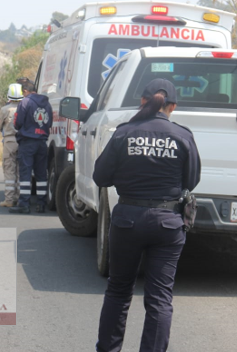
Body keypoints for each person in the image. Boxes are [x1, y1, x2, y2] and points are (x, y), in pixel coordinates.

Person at [94, 79, 201, 352]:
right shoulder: (182, 136)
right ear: (172, 106)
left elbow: (101, 177)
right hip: (167, 223)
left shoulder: (123, 133)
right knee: (159, 299)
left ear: (142, 101)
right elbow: (191, 180)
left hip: (127, 220)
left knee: (118, 292)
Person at [9, 81, 52, 214]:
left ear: (26, 91)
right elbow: (49, 122)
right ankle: (41, 204)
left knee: (25, 173)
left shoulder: (25, 102)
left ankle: (24, 204)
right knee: (41, 174)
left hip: (27, 142)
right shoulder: (47, 103)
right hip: (42, 142)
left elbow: (18, 122)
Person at [0, 83, 22, 207]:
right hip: (22, 142)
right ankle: (18, 197)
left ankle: (9, 200)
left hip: (9, 142)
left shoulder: (5, 110)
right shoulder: (25, 108)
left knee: (9, 170)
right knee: (19, 169)